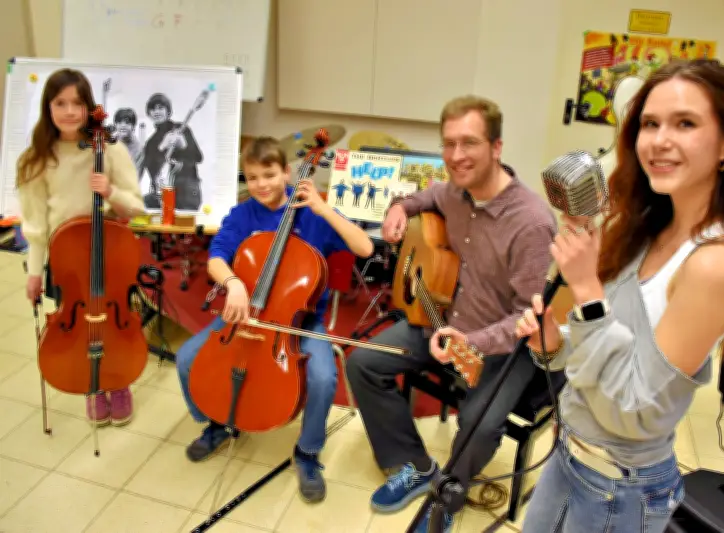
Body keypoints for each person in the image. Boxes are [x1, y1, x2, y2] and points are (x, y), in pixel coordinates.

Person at [514, 59, 724, 533]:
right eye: (650, 123)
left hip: (619, 490)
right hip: (570, 458)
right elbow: (600, 349)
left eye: (685, 123)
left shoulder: (714, 262)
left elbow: (635, 409)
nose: (659, 140)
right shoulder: (647, 227)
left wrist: (587, 290)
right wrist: (552, 339)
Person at [345, 95, 557, 532]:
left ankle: (451, 492)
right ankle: (415, 464)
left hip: (503, 347)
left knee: (478, 426)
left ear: (496, 148)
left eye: (470, 143)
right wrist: (400, 208)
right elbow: (424, 195)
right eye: (449, 144)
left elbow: (528, 318)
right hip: (439, 323)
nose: (456, 156)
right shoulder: (454, 192)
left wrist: (472, 343)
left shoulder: (532, 221)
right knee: (363, 363)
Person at [175, 136, 373, 503]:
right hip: (244, 313)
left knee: (323, 378)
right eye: (252, 177)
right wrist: (233, 283)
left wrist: (324, 208)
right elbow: (217, 257)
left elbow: (365, 247)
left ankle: (308, 452)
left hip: (299, 320)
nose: (261, 184)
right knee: (187, 360)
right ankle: (218, 423)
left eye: (268, 174)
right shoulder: (243, 214)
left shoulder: (311, 212)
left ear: (286, 171)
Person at [17, 68, 146, 426]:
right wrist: (33, 273)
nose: (70, 111)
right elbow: (37, 227)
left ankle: (118, 381)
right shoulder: (36, 159)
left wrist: (110, 192)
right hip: (66, 260)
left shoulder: (110, 149)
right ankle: (92, 385)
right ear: (48, 107)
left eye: (77, 103)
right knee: (78, 324)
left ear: (89, 107)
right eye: (60, 103)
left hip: (109, 256)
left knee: (112, 321)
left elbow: (135, 207)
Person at [141, 92, 203, 211]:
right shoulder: (151, 142)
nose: (157, 112)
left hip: (187, 194)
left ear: (168, 111)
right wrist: (162, 146)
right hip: (162, 197)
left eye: (160, 108)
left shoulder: (181, 129)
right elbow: (152, 170)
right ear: (149, 113)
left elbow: (198, 157)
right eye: (153, 109)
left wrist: (184, 145)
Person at [112, 108, 145, 180]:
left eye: (127, 123)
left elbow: (135, 178)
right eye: (119, 122)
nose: (123, 125)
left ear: (133, 126)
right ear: (115, 125)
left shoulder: (139, 149)